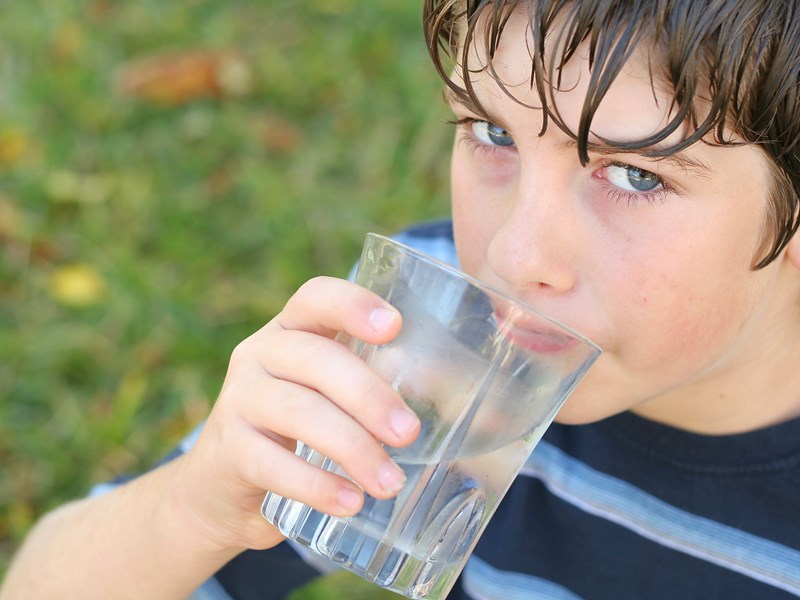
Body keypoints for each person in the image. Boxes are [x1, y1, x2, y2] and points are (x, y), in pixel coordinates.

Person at [3, 0, 800, 597]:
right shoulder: (435, 337)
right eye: (491, 134)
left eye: (636, 176)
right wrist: (192, 506)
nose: (516, 258)